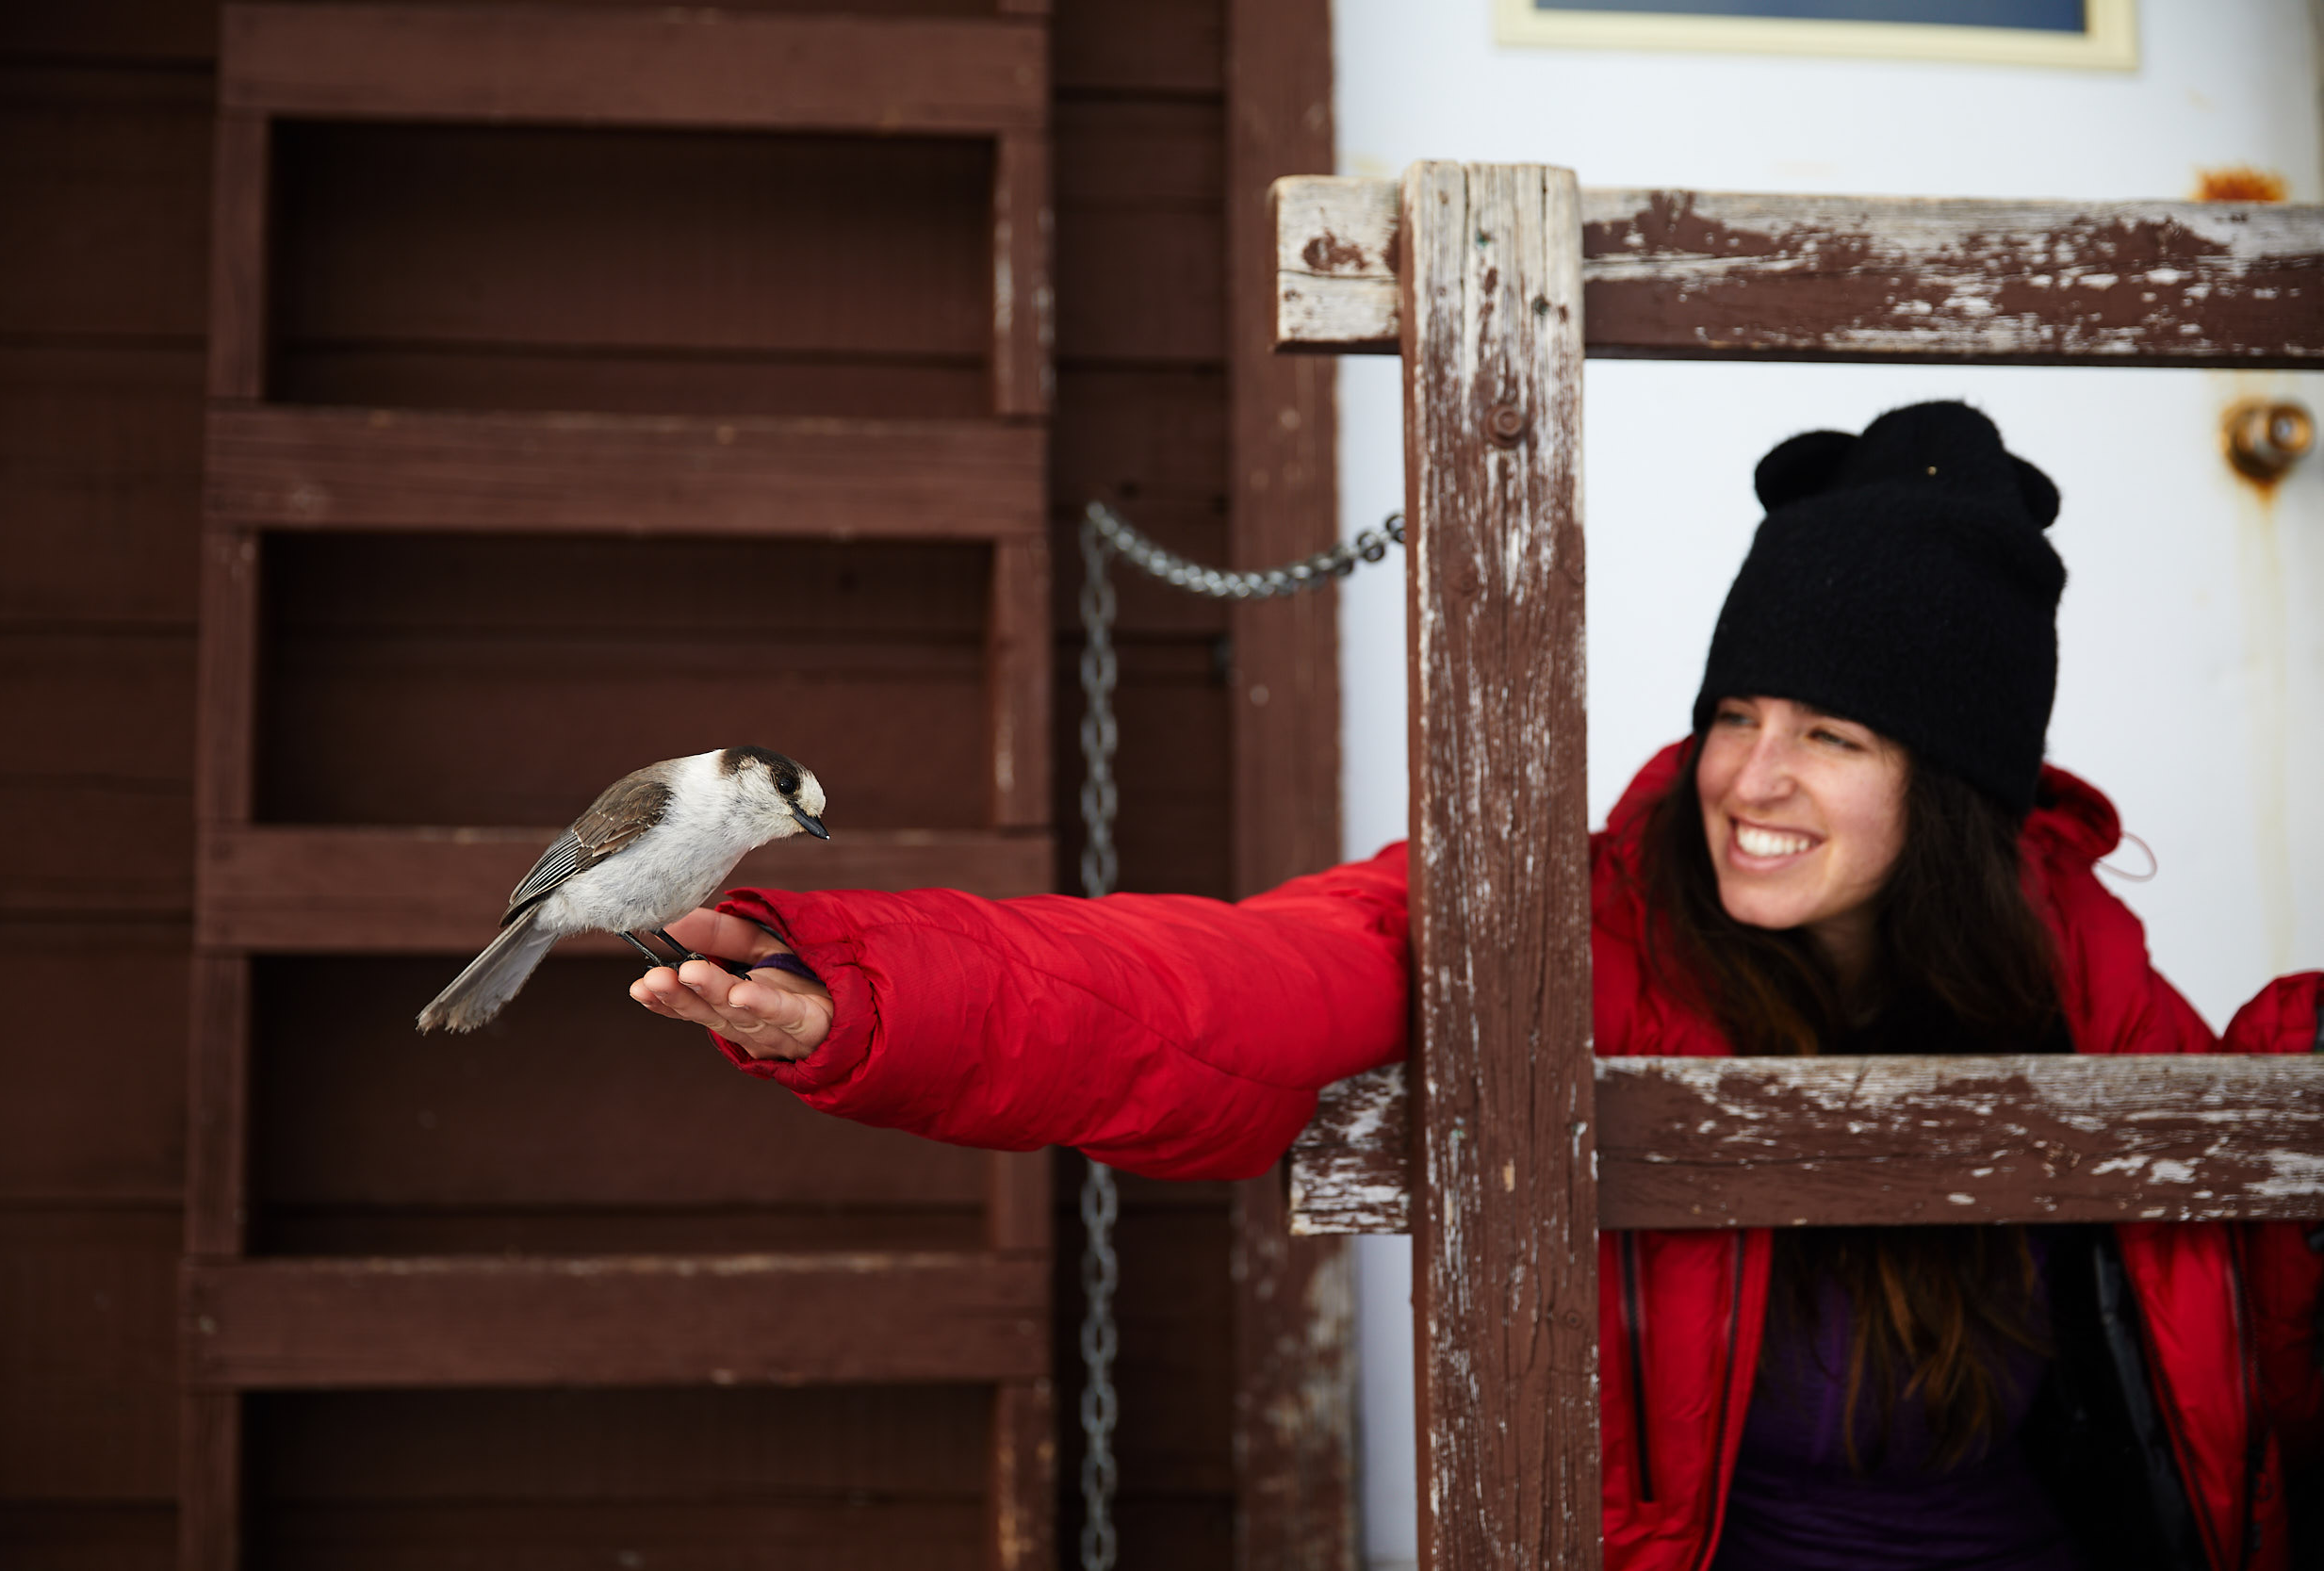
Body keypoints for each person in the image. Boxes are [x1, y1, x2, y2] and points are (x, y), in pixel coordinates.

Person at [630, 402, 2323, 1571]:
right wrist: (871, 990)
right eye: (1738, 714)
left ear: (1948, 787)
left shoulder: (2079, 979)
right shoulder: (1567, 918)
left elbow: (2242, 1279)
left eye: (1832, 735)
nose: (1750, 777)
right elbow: (1235, 986)